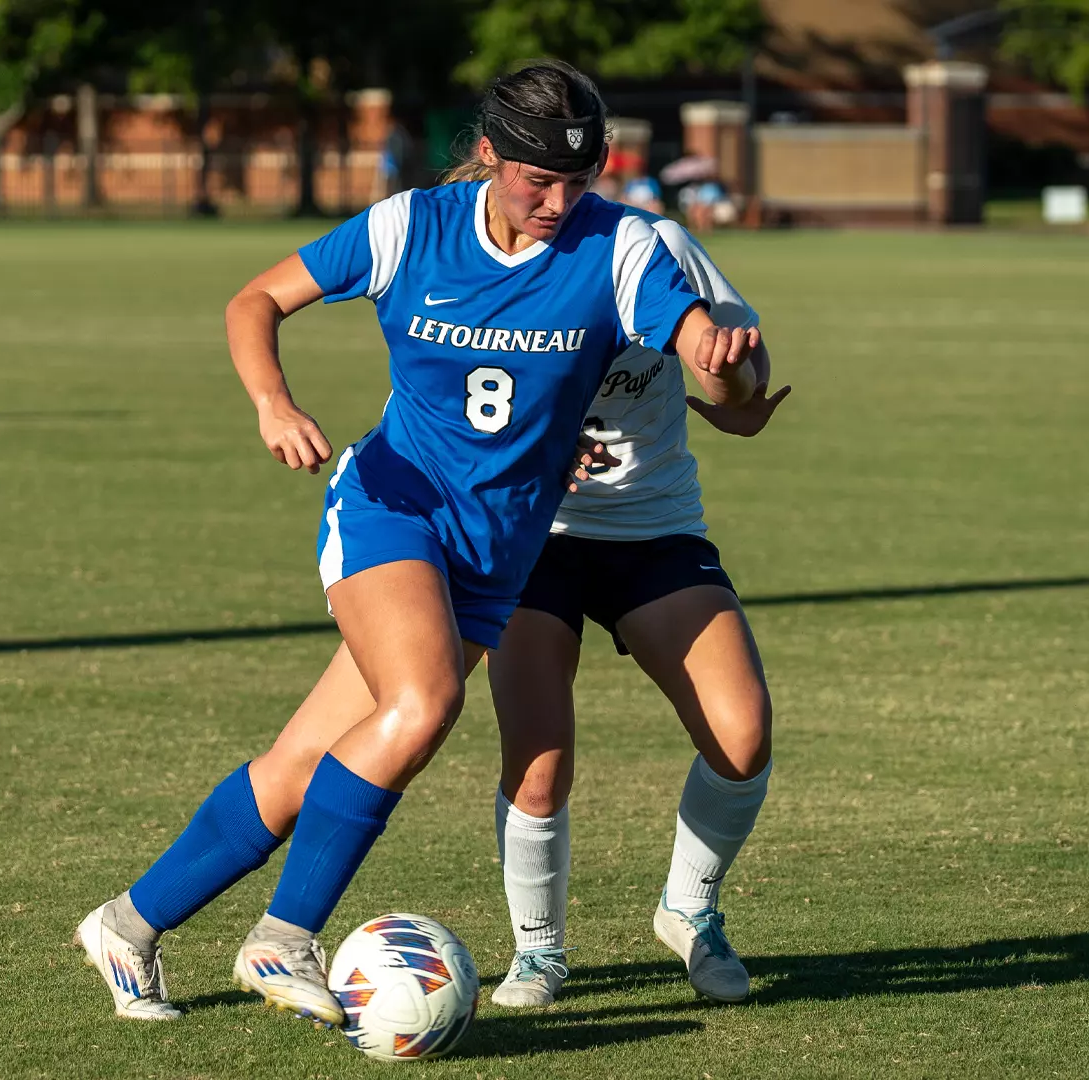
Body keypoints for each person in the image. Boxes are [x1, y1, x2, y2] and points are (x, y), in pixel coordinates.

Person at [73, 59, 761, 1027]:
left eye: (576, 178)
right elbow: (253, 301)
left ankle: (128, 924)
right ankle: (283, 941)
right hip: (392, 505)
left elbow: (700, 348)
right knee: (425, 698)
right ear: (487, 155)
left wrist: (725, 365)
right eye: (533, 178)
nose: (555, 200)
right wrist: (274, 403)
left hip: (501, 548)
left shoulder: (622, 248)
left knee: (304, 761)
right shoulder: (408, 228)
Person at [483, 210, 791, 1008]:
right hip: (530, 532)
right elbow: (444, 404)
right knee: (540, 764)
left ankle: (689, 910)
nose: (557, 198)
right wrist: (538, 452)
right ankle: (538, 953)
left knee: (742, 735)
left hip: (653, 527)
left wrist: (732, 388)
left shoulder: (658, 246)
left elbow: (734, 368)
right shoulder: (479, 265)